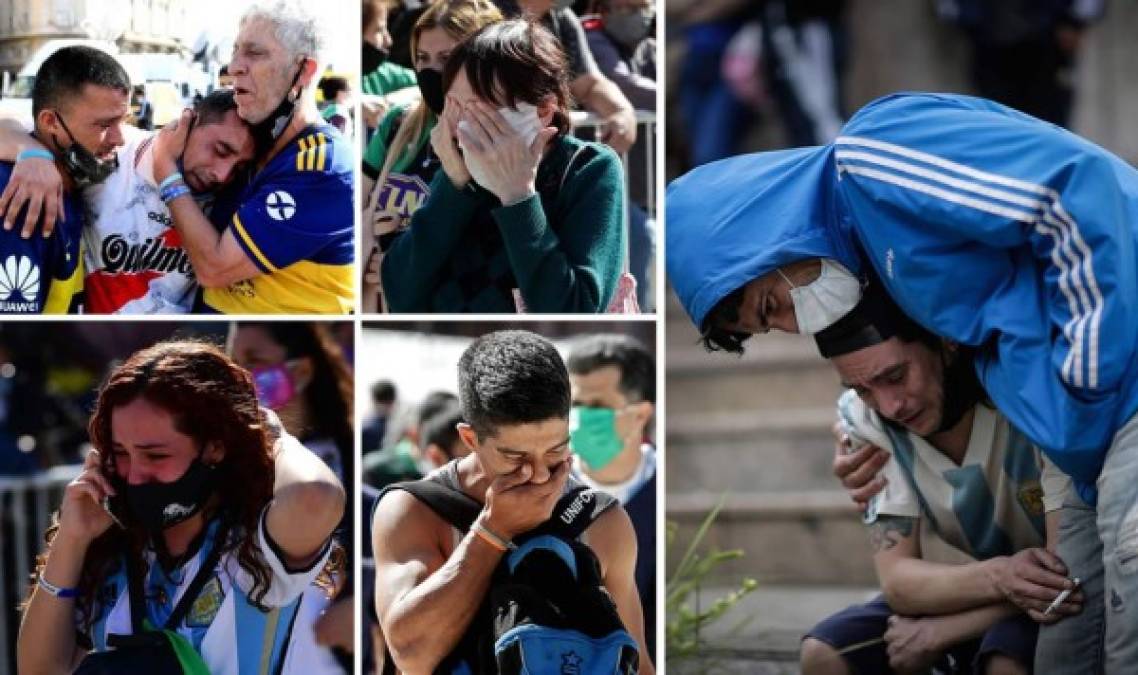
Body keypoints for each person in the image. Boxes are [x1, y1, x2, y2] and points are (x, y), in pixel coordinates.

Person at [666, 91, 1138, 674]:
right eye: (771, 327)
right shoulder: (880, 269)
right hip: (1092, 443)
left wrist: (1083, 385)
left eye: (771, 304)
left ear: (761, 234)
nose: (793, 326)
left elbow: (1074, 190)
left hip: (1119, 399)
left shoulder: (873, 154)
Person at [17, 340, 345, 673]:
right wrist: (72, 538)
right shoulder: (110, 544)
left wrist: (268, 431)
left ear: (215, 446)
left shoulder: (255, 543)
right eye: (120, 453)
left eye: (156, 455)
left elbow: (316, 497)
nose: (136, 474)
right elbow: (41, 670)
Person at [799, 285, 1076, 675]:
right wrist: (1000, 576)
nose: (889, 406)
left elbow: (1064, 575)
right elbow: (898, 581)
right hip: (997, 587)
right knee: (824, 653)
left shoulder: (1021, 392)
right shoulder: (865, 420)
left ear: (945, 343)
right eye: (863, 389)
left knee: (1006, 662)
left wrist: (946, 630)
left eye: (896, 375)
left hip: (1073, 587)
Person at [371, 330, 653, 673]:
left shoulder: (601, 520)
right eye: (514, 457)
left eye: (555, 451)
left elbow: (636, 662)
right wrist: (491, 531)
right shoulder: (413, 510)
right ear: (470, 439)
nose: (537, 475)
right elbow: (411, 655)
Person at [381, 19, 626, 313]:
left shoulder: (588, 169)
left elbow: (575, 308)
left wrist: (518, 197)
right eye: (455, 105)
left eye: (482, 109)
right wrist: (454, 185)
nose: (463, 123)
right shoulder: (455, 163)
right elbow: (400, 294)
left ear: (543, 110)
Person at [150, 0, 355, 314]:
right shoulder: (252, 143)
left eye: (254, 53)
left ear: (304, 71)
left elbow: (214, 269)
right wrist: (44, 153)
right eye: (235, 51)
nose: (234, 67)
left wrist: (166, 171)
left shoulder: (323, 166)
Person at [0, 89, 256, 313]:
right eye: (220, 150)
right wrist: (32, 153)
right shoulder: (112, 152)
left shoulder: (233, 201)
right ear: (189, 120)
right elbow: (13, 121)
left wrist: (169, 175)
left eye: (238, 167)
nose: (222, 175)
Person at [360, 0, 504, 313]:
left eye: (446, 58)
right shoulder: (399, 122)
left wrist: (402, 270)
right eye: (422, 58)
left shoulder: (500, 138)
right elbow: (357, 204)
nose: (431, 71)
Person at [230, 322, 356, 673]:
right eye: (233, 364)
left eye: (253, 361)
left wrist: (363, 605)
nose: (241, 379)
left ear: (301, 371)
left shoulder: (350, 461)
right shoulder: (225, 467)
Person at [0, 46, 132, 314]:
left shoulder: (70, 179)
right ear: (50, 121)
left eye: (123, 121)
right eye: (104, 126)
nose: (119, 139)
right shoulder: (23, 196)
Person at [566, 333, 657, 659]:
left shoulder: (661, 488)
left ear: (640, 415)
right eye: (575, 405)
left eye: (598, 408)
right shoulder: (543, 487)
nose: (580, 419)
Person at [582, 0, 656, 310]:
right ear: (604, 9)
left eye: (639, 6)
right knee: (640, 234)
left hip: (642, 184)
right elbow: (625, 87)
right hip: (596, 184)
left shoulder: (649, 47)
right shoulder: (590, 37)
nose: (633, 14)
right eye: (623, 7)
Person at [494, 0, 637, 154]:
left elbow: (589, 84)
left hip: (545, 156)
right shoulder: (485, 11)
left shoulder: (562, 18)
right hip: (492, 151)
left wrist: (621, 111)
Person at [361, 0, 420, 131]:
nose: (389, 40)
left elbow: (432, 86)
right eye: (379, 30)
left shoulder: (381, 73)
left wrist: (390, 101)